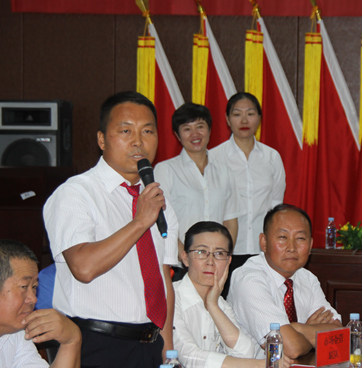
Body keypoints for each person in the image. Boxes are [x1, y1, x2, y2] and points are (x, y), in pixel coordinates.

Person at [44, 91, 180, 367]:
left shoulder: (156, 199)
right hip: (96, 344)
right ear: (102, 139)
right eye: (125, 131)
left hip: (150, 344)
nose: (138, 141)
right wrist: (140, 222)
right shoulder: (76, 193)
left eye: (147, 131)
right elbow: (83, 267)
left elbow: (163, 278)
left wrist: (167, 351)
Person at [227, 204, 341, 359]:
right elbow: (289, 348)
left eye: (300, 238)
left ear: (310, 246)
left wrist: (297, 329)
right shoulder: (249, 280)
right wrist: (311, 332)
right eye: (282, 237)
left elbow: (339, 336)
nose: (291, 247)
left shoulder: (307, 278)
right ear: (264, 242)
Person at [174, 221, 290, 368]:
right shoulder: (170, 297)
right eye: (201, 252)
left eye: (219, 253)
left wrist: (213, 306)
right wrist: (261, 365)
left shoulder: (220, 303)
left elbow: (246, 352)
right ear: (185, 258)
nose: (210, 262)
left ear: (229, 261)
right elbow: (188, 356)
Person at [210, 92, 286, 283]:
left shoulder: (272, 157)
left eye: (250, 113)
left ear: (259, 118)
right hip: (225, 250)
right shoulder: (214, 157)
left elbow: (276, 205)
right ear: (228, 119)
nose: (244, 120)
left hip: (263, 249)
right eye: (237, 114)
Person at [155, 103, 240, 247]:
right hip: (178, 257)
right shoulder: (165, 170)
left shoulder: (225, 172)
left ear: (209, 130)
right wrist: (184, 255)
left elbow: (230, 222)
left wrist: (224, 254)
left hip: (216, 256)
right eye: (187, 129)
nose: (195, 134)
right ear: (177, 135)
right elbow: (161, 220)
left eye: (200, 126)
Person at [0, 240, 81, 368]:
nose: (33, 299)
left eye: (34, 287)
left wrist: (71, 342)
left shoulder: (16, 334)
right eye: (24, 286)